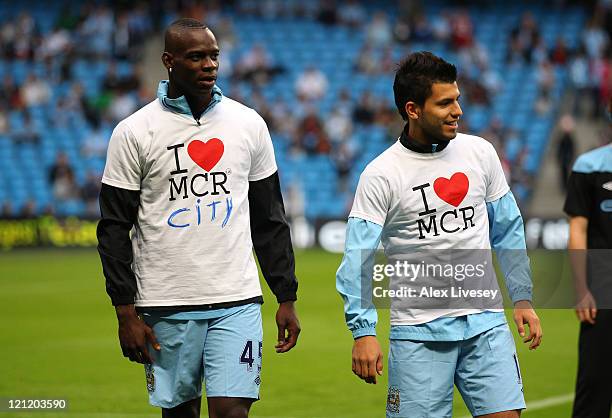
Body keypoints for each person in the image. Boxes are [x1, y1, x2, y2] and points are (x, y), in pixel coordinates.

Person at [97, 18, 300, 418]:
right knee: (180, 413)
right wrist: (125, 312)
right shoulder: (134, 131)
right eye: (196, 57)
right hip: (165, 302)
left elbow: (270, 219)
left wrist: (286, 296)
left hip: (237, 299)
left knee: (232, 412)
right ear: (169, 61)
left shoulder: (248, 124)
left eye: (213, 56)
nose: (209, 65)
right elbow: (114, 227)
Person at [336, 51, 542, 418]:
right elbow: (358, 258)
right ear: (413, 109)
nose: (457, 110)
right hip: (418, 333)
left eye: (457, 99)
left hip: (486, 324)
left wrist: (522, 297)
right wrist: (363, 331)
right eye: (445, 103)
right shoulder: (381, 174)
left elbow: (508, 228)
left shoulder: (481, 153)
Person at [564, 100, 612, 418]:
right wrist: (581, 288)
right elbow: (577, 230)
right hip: (603, 293)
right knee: (594, 390)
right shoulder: (588, 166)